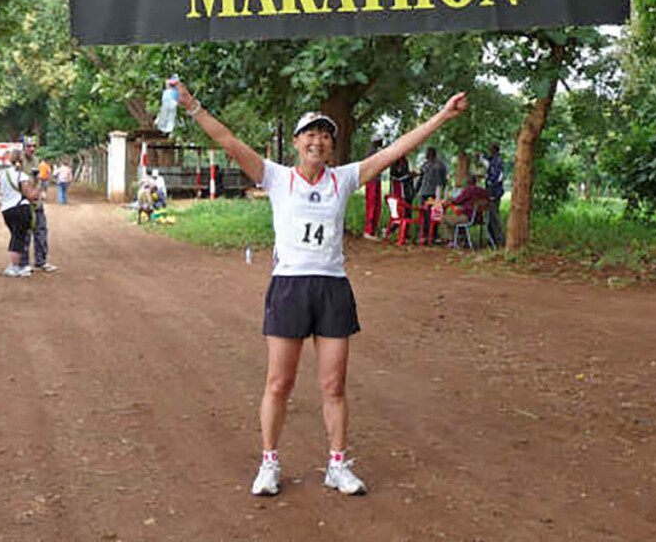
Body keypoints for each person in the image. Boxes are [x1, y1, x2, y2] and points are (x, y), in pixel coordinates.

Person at [173, 79, 467, 497]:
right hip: (289, 288)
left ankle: (337, 465)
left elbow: (394, 151)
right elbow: (229, 141)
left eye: (325, 135)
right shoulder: (277, 178)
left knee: (334, 385)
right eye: (310, 134)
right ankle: (269, 463)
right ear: (296, 143)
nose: (318, 141)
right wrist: (191, 105)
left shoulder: (343, 179)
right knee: (279, 383)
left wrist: (442, 115)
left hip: (332, 289)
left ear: (332, 146)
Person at [0, 149, 36, 277]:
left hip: (7, 210)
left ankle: (17, 265)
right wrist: (37, 187)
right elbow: (29, 195)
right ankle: (14, 267)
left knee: (15, 236)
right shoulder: (22, 176)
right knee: (19, 238)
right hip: (21, 208)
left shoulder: (2, 173)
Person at [19, 137, 58, 273]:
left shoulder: (37, 161)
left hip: (36, 202)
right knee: (24, 234)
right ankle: (23, 263)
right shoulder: (19, 162)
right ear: (24, 147)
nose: (32, 149)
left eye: (34, 146)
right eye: (29, 146)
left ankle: (41, 261)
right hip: (23, 202)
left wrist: (40, 192)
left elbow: (38, 180)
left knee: (41, 231)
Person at [438, 174, 490, 244]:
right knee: (455, 217)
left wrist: (450, 200)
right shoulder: (482, 191)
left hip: (467, 217)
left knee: (444, 219)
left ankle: (450, 241)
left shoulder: (468, 190)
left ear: (467, 182)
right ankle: (461, 239)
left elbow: (457, 201)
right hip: (479, 218)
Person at [415, 147, 448, 240]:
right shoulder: (427, 165)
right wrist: (416, 190)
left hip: (433, 193)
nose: (426, 155)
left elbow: (443, 180)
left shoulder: (437, 165)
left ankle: (430, 235)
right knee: (428, 214)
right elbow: (421, 179)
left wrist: (444, 193)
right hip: (428, 192)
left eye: (427, 153)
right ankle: (428, 235)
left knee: (432, 214)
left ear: (431, 154)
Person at [481, 142, 505, 246]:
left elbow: (497, 177)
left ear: (494, 150)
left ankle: (499, 241)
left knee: (494, 217)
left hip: (494, 193)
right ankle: (493, 240)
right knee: (490, 218)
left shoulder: (497, 161)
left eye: (490, 149)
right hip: (492, 193)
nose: (489, 151)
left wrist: (492, 189)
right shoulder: (494, 160)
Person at [363, 136, 384, 239]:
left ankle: (373, 230)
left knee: (376, 205)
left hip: (375, 180)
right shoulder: (372, 152)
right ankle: (369, 230)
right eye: (380, 141)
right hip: (372, 181)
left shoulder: (374, 151)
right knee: (372, 205)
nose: (382, 143)